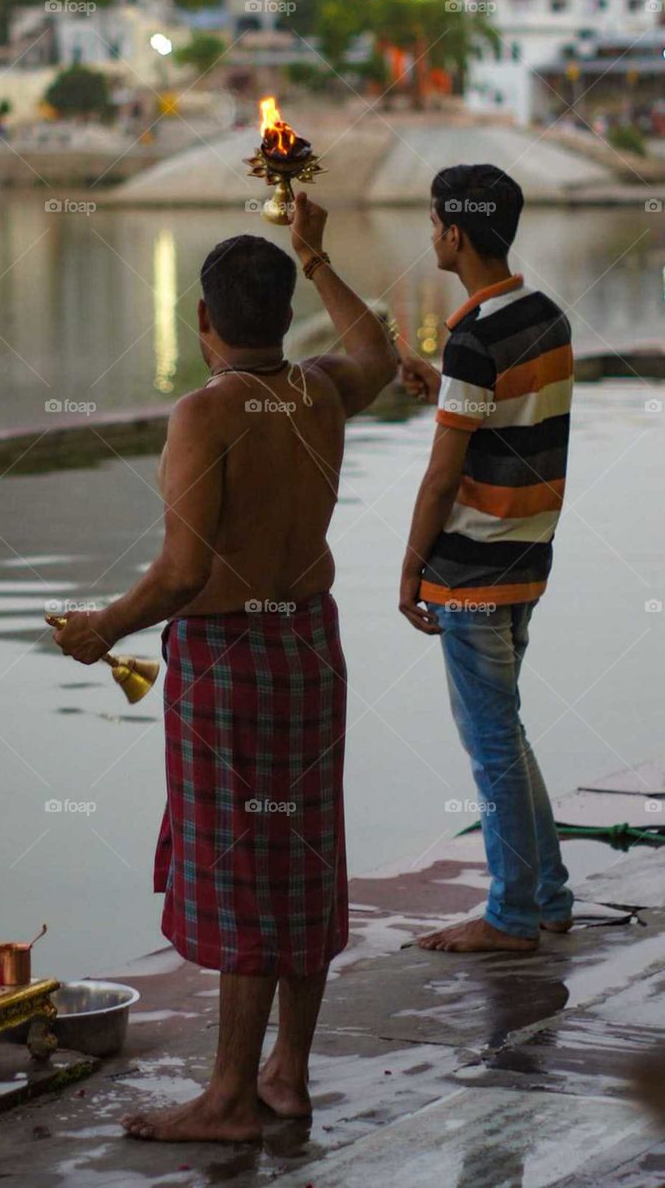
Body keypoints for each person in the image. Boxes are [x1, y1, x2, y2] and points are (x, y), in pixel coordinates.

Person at [49, 195, 397, 1142]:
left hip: (230, 659)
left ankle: (231, 1097)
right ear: (285, 317)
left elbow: (183, 572)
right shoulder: (318, 391)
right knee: (302, 857)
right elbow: (379, 353)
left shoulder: (205, 413)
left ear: (202, 320)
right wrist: (318, 256)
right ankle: (286, 1075)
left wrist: (101, 629)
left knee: (245, 867)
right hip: (308, 646)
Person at [399, 164, 574, 954]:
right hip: (527, 558)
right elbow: (505, 416)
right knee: (509, 733)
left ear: (456, 232)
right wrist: (443, 387)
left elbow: (444, 473)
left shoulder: (472, 335)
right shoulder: (544, 315)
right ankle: (548, 895)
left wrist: (409, 566)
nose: (432, 234)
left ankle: (511, 917)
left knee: (493, 744)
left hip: (470, 569)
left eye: (436, 222)